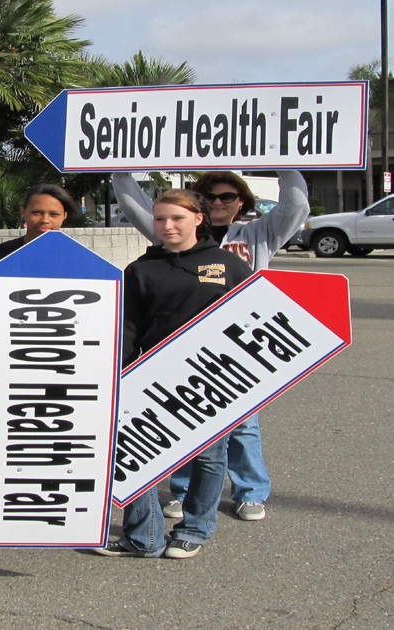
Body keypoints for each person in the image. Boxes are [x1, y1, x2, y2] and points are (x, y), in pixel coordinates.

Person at [112, 170, 309, 522]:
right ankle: (184, 491)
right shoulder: (170, 235)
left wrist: (286, 161)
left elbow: (296, 204)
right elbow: (132, 202)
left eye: (228, 197)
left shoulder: (258, 234)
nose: (219, 202)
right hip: (173, 352)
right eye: (212, 196)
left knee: (244, 425)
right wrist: (118, 167)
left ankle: (250, 493)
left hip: (235, 350)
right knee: (179, 421)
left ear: (242, 202)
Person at [97, 189, 252, 559]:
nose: (167, 225)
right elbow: (129, 327)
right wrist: (120, 375)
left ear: (199, 218)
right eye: (160, 218)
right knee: (137, 454)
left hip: (215, 375)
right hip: (151, 374)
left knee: (209, 457)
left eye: (177, 218)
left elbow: (251, 315)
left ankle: (195, 529)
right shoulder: (140, 269)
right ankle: (144, 536)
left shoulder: (227, 264)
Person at [0, 183, 76, 267]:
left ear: (64, 216)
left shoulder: (77, 257)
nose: (45, 220)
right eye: (36, 212)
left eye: (54, 214)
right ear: (23, 212)